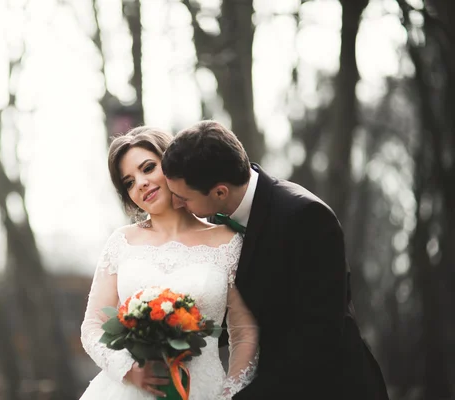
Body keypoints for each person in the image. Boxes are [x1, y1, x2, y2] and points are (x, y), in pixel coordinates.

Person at [161, 120, 390, 400]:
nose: (177, 205)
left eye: (183, 197)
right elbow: (234, 312)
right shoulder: (216, 217)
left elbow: (319, 333)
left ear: (220, 191)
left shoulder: (307, 218)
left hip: (330, 385)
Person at [79, 126, 259, 400]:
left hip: (203, 390)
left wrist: (230, 393)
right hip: (127, 390)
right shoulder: (121, 242)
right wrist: (128, 368)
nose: (140, 183)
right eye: (128, 182)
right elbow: (92, 324)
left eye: (148, 168)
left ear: (170, 164)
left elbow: (244, 333)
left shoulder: (228, 241)